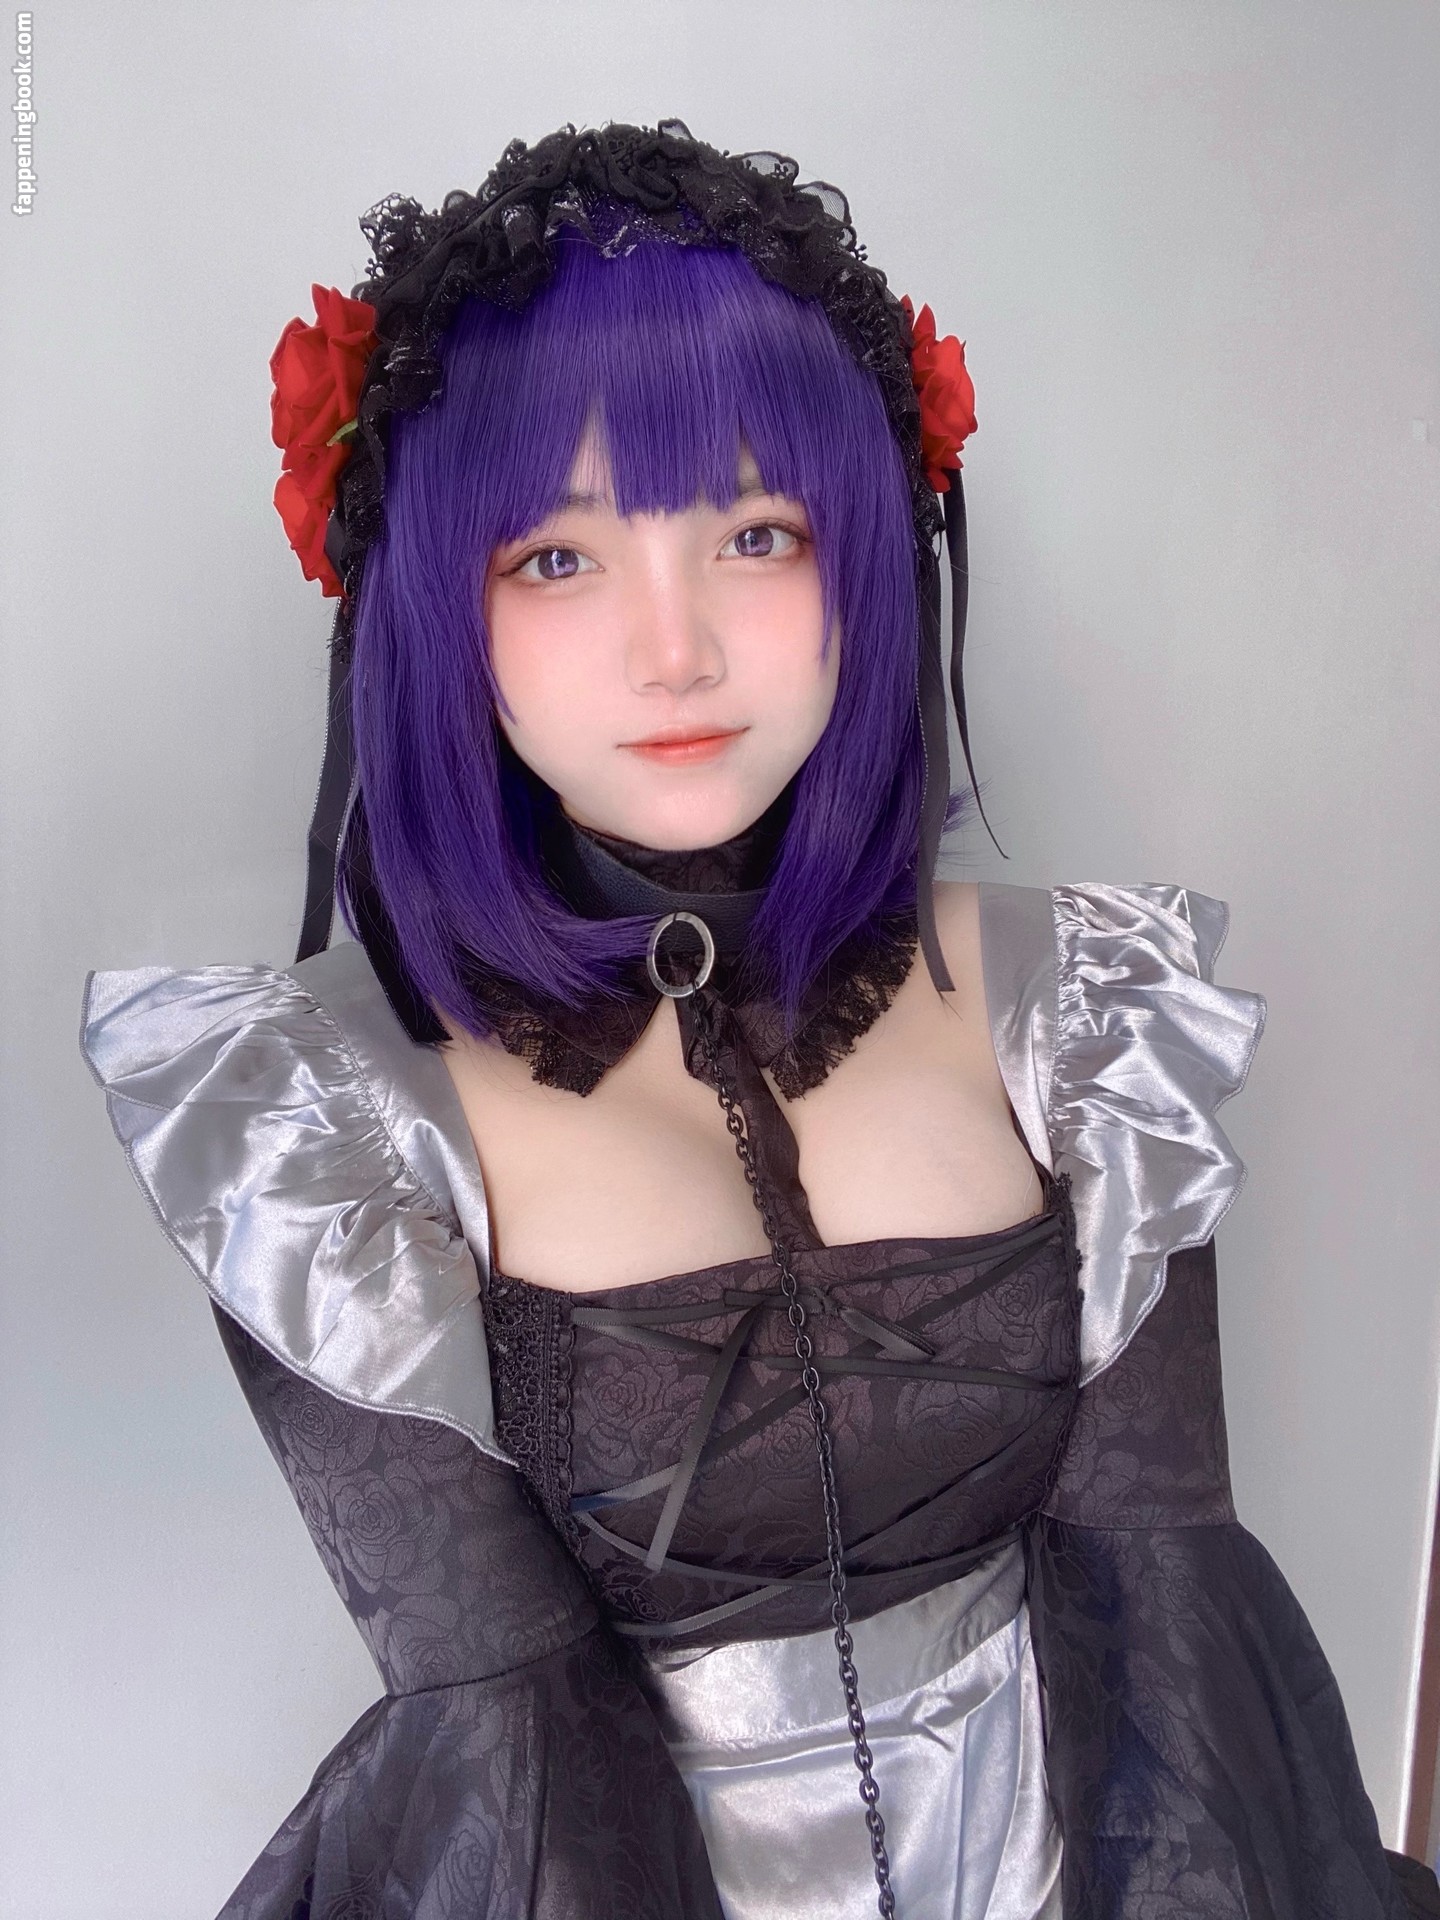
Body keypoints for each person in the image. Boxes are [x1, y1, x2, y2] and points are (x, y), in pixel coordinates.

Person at [80, 121, 1440, 1920]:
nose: (679, 650)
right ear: (427, 600)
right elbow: (519, 1750)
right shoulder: (322, 1118)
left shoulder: (1078, 1008)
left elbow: (1164, 1611)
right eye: (557, 558)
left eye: (756, 533)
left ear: (865, 552)